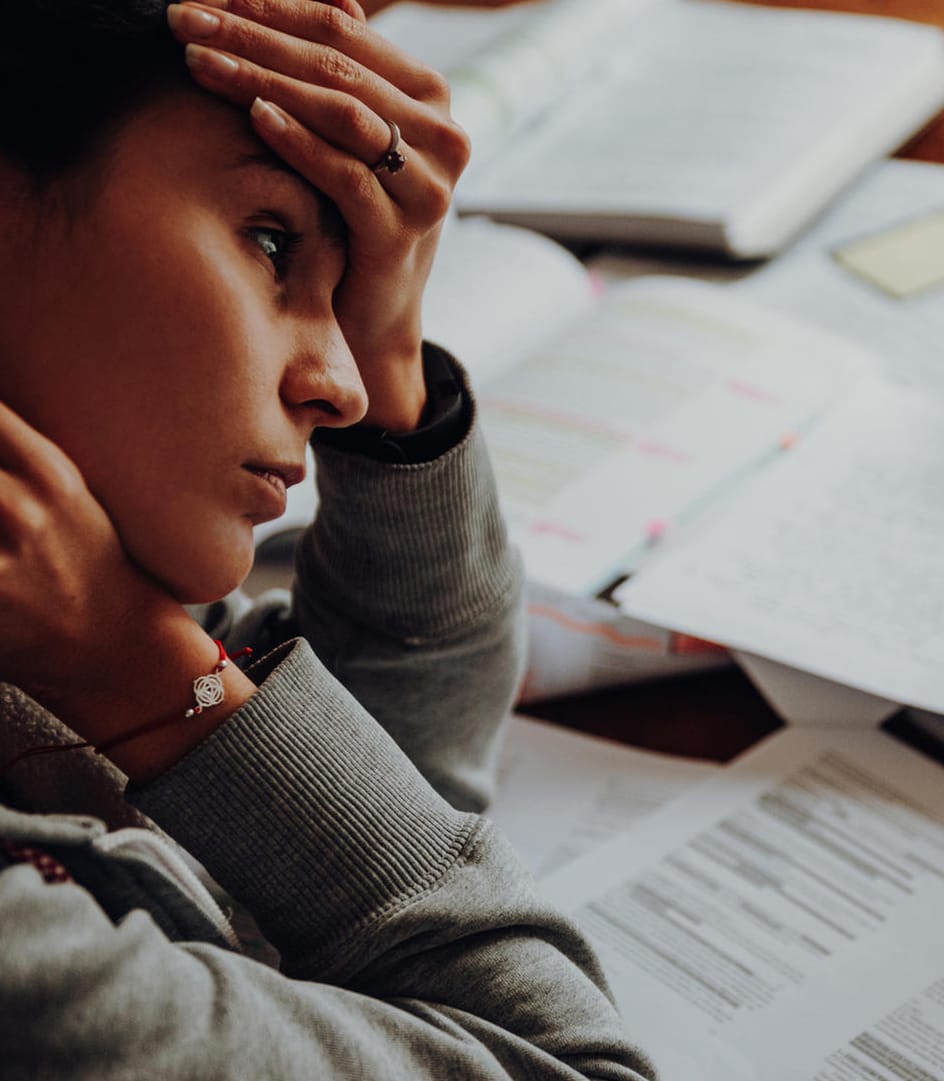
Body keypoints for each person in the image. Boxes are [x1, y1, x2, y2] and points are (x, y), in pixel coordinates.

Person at [0, 0, 656, 1076]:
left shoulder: (55, 549)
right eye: (270, 241)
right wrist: (139, 670)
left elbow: (378, 788)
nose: (344, 386)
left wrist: (391, 341)